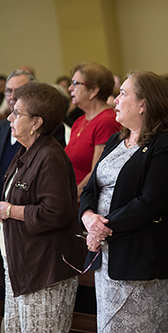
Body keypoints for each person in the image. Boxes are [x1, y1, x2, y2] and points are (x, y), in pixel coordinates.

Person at [79, 71, 168, 332]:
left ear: (143, 104)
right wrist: (88, 216)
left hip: (140, 260)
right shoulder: (117, 139)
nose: (115, 100)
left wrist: (101, 227)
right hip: (106, 258)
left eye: (123, 93)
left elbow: (150, 202)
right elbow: (91, 187)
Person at [0, 82, 86, 332]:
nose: (10, 117)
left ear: (36, 122)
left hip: (43, 271)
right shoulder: (26, 152)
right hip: (21, 264)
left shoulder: (49, 156)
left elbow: (56, 212)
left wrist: (10, 211)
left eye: (17, 113)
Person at [65, 63, 122, 200]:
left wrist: (71, 197)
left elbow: (97, 171)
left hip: (86, 202)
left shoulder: (107, 121)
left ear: (93, 90)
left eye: (75, 83)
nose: (69, 88)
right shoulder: (79, 121)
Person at [0, 70, 36, 191]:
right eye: (9, 91)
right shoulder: (2, 127)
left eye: (19, 91)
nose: (13, 96)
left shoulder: (41, 128)